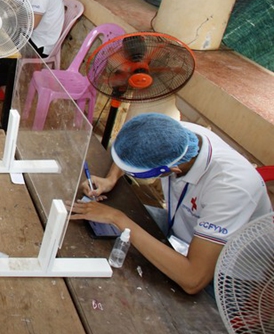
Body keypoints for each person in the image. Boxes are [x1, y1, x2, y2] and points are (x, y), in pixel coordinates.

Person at [70, 113, 272, 295]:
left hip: (226, 273)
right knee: (89, 228)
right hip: (182, 227)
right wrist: (111, 179)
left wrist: (116, 218)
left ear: (172, 170)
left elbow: (193, 279)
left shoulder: (232, 188)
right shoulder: (177, 135)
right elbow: (135, 147)